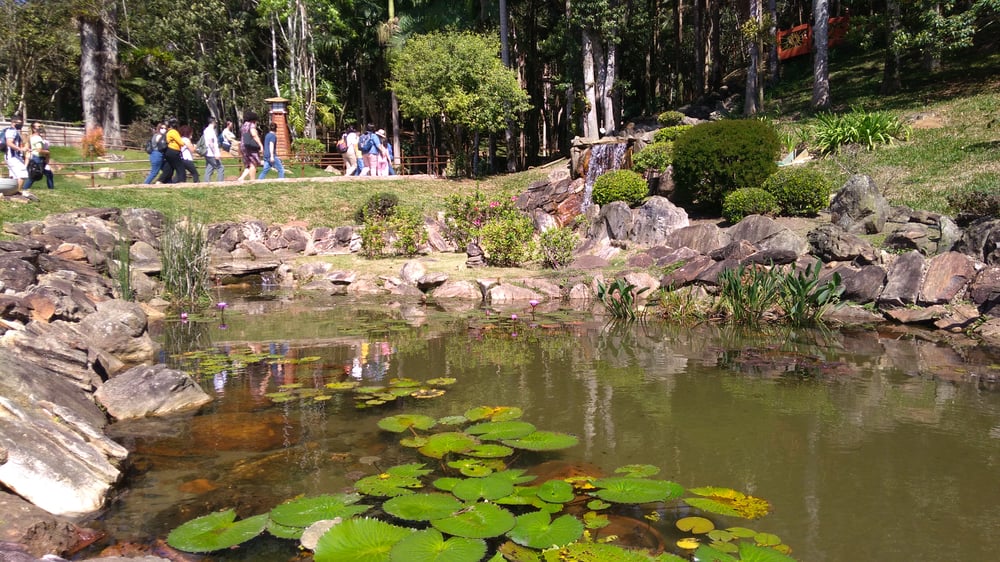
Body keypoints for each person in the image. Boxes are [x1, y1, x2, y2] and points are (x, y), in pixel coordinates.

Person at [22, 122, 53, 191]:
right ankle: (24, 189)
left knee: (48, 174)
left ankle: (51, 189)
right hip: (38, 158)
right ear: (33, 128)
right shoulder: (37, 138)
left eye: (40, 126)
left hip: (40, 158)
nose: (40, 127)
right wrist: (47, 152)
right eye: (38, 126)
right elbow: (39, 150)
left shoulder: (33, 137)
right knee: (33, 176)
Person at [3, 117, 28, 194]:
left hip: (12, 156)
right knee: (23, 174)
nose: (21, 125)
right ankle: (17, 192)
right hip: (13, 156)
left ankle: (10, 192)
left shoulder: (14, 131)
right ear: (13, 122)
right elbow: (9, 143)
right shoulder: (11, 131)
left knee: (14, 176)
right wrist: (20, 149)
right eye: (19, 123)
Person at [156, 118, 183, 184]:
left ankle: (159, 181)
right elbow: (181, 143)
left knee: (169, 168)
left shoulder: (168, 131)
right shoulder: (173, 132)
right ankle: (182, 182)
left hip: (168, 151)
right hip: (173, 151)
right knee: (180, 168)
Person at [237, 112, 262, 182]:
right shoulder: (251, 125)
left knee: (248, 164)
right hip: (250, 147)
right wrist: (260, 144)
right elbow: (254, 134)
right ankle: (252, 180)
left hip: (243, 145)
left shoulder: (243, 125)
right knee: (253, 163)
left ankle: (241, 178)